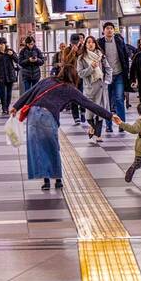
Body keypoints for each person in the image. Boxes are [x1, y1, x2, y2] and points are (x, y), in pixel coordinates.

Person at [13, 60, 118, 191]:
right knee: (52, 148)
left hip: (33, 115)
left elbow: (30, 92)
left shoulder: (47, 80)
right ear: (73, 76)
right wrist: (110, 115)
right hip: (47, 116)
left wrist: (16, 107)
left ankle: (46, 182)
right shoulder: (70, 89)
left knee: (38, 149)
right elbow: (90, 104)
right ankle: (58, 180)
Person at [77, 36, 112, 144]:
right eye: (88, 42)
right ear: (85, 45)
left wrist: (107, 81)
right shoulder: (81, 58)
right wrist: (91, 68)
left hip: (101, 87)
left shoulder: (101, 56)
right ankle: (92, 126)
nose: (90, 44)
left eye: (92, 42)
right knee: (89, 114)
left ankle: (98, 135)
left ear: (95, 44)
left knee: (100, 111)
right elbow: (80, 74)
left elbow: (108, 68)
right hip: (90, 88)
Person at [100, 22, 132, 134]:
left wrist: (126, 72)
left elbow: (124, 56)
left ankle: (121, 124)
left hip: (118, 74)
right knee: (107, 101)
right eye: (107, 28)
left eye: (111, 28)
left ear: (114, 30)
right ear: (103, 31)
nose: (109, 30)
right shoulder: (100, 43)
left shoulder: (119, 41)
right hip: (106, 76)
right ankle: (108, 125)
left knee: (119, 99)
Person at [0, 37, 18, 115]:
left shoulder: (10, 51)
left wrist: (12, 55)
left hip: (10, 74)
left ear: (5, 44)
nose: (1, 45)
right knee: (2, 93)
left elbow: (17, 60)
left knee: (9, 92)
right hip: (1, 75)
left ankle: (7, 107)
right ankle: (4, 108)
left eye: (2, 44)